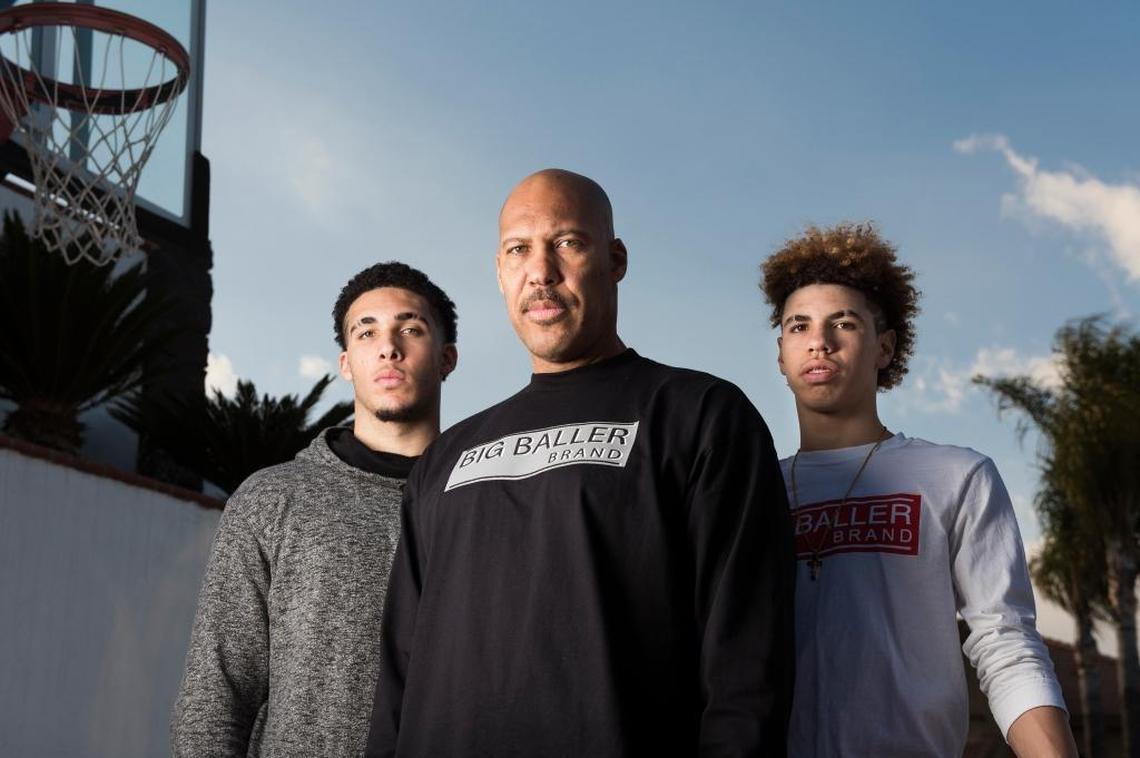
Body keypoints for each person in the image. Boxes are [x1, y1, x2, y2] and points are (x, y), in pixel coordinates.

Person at [365, 169, 796, 758]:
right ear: (499, 272)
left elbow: (748, 667)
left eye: (567, 243)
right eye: (519, 250)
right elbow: (398, 675)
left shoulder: (701, 417)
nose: (540, 272)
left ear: (615, 260)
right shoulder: (446, 457)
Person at [759, 223, 1076, 757]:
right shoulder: (750, 488)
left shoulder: (955, 474)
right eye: (799, 326)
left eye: (844, 323)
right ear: (782, 354)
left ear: (884, 348)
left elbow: (1004, 641)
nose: (819, 340)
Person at [171, 262, 458, 758]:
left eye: (410, 329)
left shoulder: (484, 501)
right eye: (366, 332)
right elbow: (214, 698)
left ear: (446, 357)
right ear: (347, 363)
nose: (388, 347)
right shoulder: (271, 500)